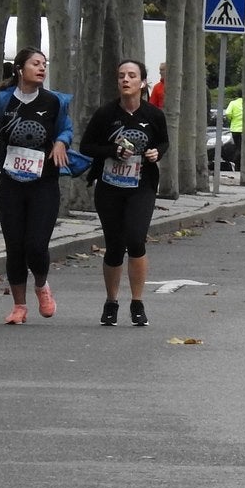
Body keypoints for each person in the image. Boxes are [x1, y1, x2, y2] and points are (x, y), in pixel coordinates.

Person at [0, 46, 72, 325]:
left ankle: (41, 285)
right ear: (20, 69)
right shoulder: (4, 100)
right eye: (36, 64)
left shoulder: (54, 102)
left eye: (44, 64)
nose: (42, 68)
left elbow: (66, 128)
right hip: (11, 183)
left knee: (36, 245)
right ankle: (19, 307)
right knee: (15, 246)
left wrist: (62, 141)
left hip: (44, 183)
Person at [79, 59, 170, 327]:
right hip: (110, 186)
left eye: (131, 76)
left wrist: (156, 153)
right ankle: (111, 301)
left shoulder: (153, 115)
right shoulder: (106, 114)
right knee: (115, 245)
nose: (125, 80)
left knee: (136, 239)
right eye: (121, 76)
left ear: (142, 82)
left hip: (141, 185)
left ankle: (138, 302)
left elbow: (163, 141)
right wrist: (112, 151)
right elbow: (87, 146)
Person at [224, 89, 245, 156]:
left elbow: (227, 113)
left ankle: (237, 163)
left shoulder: (233, 103)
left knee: (237, 147)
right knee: (244, 148)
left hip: (235, 129)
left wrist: (231, 118)